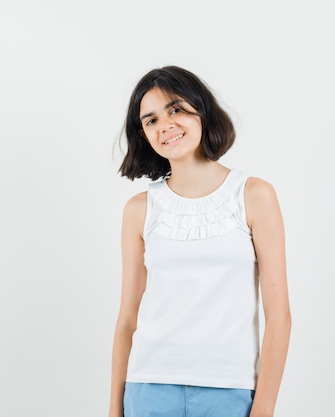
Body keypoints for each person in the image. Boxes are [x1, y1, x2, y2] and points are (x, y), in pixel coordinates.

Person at [108, 66, 291, 417]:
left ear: (201, 110)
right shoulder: (139, 209)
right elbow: (127, 321)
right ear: (143, 134)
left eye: (175, 109)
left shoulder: (253, 195)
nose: (165, 125)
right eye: (151, 120)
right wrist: (115, 411)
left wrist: (264, 410)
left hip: (230, 391)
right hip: (148, 391)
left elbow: (279, 315)